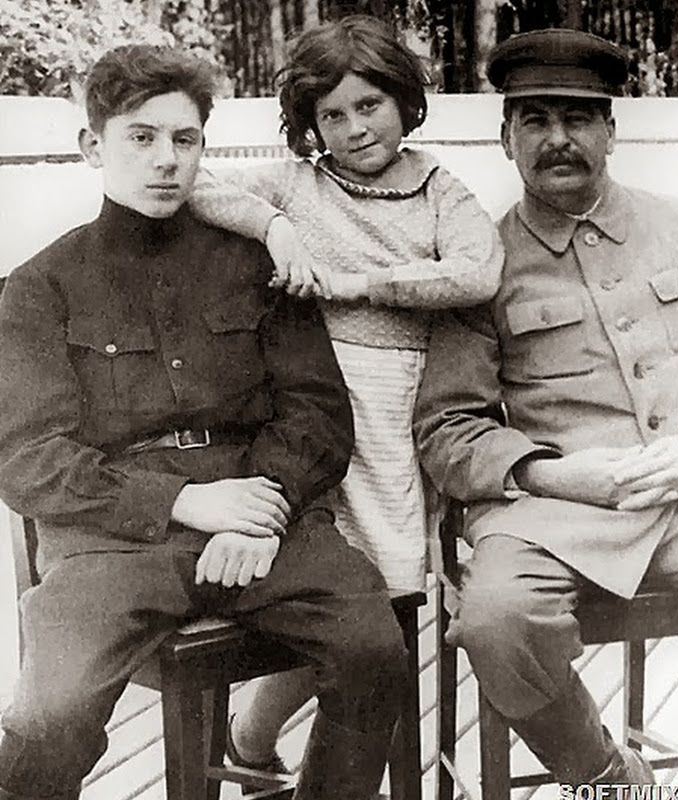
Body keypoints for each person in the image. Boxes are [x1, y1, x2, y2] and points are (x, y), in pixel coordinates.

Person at [0, 44, 408, 800]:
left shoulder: (257, 265)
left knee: (373, 651)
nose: (166, 160)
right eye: (141, 137)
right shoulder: (39, 287)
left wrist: (265, 507)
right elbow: (26, 457)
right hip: (112, 541)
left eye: (184, 139)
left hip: (263, 516)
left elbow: (317, 411)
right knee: (50, 714)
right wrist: (183, 503)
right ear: (92, 146)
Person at [413, 28, 678, 790]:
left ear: (612, 131)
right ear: (505, 138)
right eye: (535, 120)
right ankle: (612, 780)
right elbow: (448, 429)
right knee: (495, 621)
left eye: (579, 118)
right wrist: (552, 475)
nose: (558, 138)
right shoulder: (480, 264)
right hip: (556, 512)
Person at [187, 14, 503, 775]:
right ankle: (256, 739)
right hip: (311, 411)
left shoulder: (436, 187)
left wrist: (362, 283)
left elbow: (477, 270)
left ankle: (264, 744)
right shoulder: (296, 183)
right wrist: (275, 229)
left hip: (398, 413)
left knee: (386, 598)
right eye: (332, 115)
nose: (355, 128)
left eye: (370, 105)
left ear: (404, 101)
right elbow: (196, 184)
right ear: (310, 124)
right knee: (332, 597)